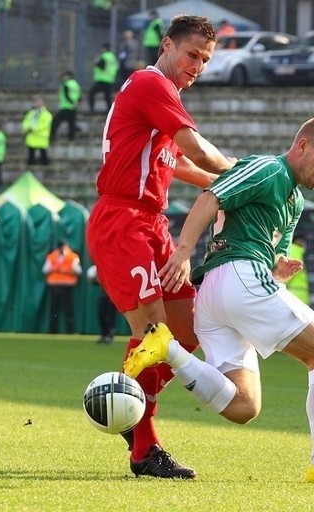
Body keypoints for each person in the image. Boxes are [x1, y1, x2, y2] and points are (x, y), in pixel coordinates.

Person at [124, 117, 314, 484]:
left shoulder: (294, 200)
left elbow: (270, 250)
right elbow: (212, 196)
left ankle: (168, 349)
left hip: (219, 294)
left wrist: (279, 269)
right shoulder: (268, 167)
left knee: (244, 406)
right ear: (302, 145)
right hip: (236, 276)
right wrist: (183, 249)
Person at [86, 14, 236, 479]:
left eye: (206, 60)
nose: (198, 66)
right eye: (193, 55)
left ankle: (128, 398)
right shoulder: (153, 85)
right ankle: (144, 449)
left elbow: (180, 167)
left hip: (152, 224)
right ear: (167, 45)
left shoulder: (156, 106)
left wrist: (227, 186)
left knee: (188, 332)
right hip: (123, 220)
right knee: (155, 334)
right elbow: (197, 151)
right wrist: (248, 173)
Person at [42, 241, 82, 334]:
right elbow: (45, 270)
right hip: (55, 286)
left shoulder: (72, 257)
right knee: (54, 309)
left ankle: (70, 331)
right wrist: (54, 269)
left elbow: (78, 271)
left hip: (67, 287)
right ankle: (52, 331)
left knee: (68, 309)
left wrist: (65, 271)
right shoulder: (52, 256)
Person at [86, 264, 118, 344]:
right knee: (101, 315)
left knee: (109, 316)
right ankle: (103, 335)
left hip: (112, 294)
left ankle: (109, 335)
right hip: (105, 293)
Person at [50, 70, 81, 141]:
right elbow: (79, 95)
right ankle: (71, 138)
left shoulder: (66, 85)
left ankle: (52, 136)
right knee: (71, 123)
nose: (63, 77)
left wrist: (71, 102)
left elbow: (67, 96)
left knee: (55, 122)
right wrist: (76, 102)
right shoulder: (76, 84)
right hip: (73, 108)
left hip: (65, 107)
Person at [22, 96, 52, 165]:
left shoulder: (46, 114)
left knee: (43, 155)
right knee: (31, 156)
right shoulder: (31, 113)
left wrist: (34, 129)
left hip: (41, 137)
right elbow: (26, 121)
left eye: (39, 101)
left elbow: (45, 124)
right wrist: (27, 128)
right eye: (36, 102)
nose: (37, 103)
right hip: (32, 137)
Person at [89, 43, 118, 115]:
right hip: (110, 79)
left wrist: (95, 63)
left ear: (104, 48)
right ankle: (110, 111)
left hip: (102, 79)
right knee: (107, 97)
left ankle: (92, 109)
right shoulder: (112, 57)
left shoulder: (104, 56)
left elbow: (102, 66)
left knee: (91, 93)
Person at [283, 235, 309, 304]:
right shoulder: (295, 249)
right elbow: (293, 268)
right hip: (296, 292)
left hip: (296, 291)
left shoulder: (293, 250)